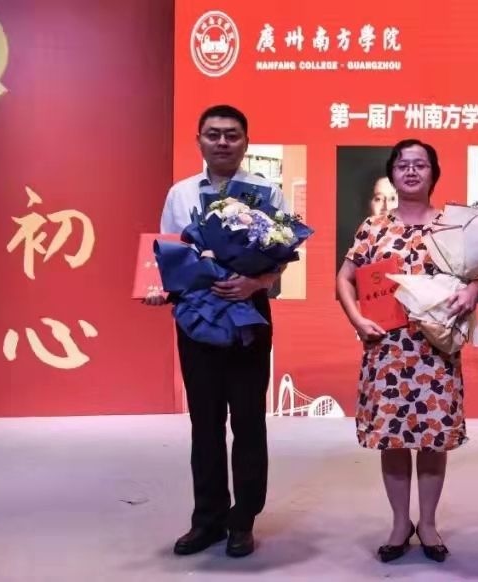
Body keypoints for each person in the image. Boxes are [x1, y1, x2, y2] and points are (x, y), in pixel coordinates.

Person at [147, 104, 288, 558]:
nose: (223, 142)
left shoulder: (266, 191)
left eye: (231, 135)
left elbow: (282, 255)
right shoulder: (181, 193)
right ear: (199, 141)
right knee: (204, 422)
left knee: (248, 420)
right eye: (213, 134)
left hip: (249, 314)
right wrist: (159, 289)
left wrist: (255, 282)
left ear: (246, 142)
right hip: (198, 316)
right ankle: (207, 519)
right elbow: (167, 251)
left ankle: (242, 520)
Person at [336, 139, 478, 563]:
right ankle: (401, 523)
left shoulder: (451, 227)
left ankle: (429, 524)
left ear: (434, 173)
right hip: (388, 348)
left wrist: (473, 290)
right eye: (403, 165)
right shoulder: (373, 227)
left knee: (433, 440)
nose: (412, 171)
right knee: (394, 440)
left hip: (437, 349)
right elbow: (344, 279)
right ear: (393, 173)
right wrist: (356, 319)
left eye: (421, 164)